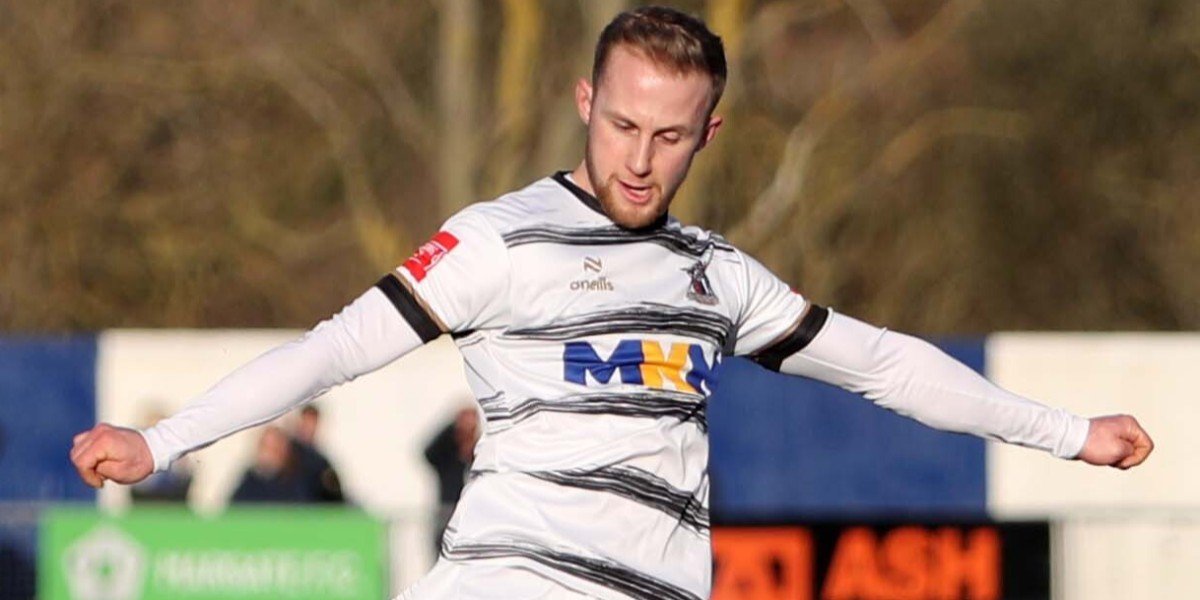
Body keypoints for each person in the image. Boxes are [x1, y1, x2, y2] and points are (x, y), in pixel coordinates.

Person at [70, 6, 1153, 599]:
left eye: (669, 135)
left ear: (708, 133)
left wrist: (1069, 433)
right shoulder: (497, 241)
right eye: (623, 125)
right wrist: (160, 442)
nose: (640, 158)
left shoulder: (717, 275)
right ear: (586, 101)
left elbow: (884, 364)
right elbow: (332, 351)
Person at [423, 406, 480, 556]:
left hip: (473, 523)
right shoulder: (447, 459)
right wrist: (453, 426)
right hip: (447, 521)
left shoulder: (481, 457)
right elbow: (428, 452)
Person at [292, 405, 345, 503]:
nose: (309, 428)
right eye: (306, 422)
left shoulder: (320, 461)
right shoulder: (289, 454)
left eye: (312, 423)